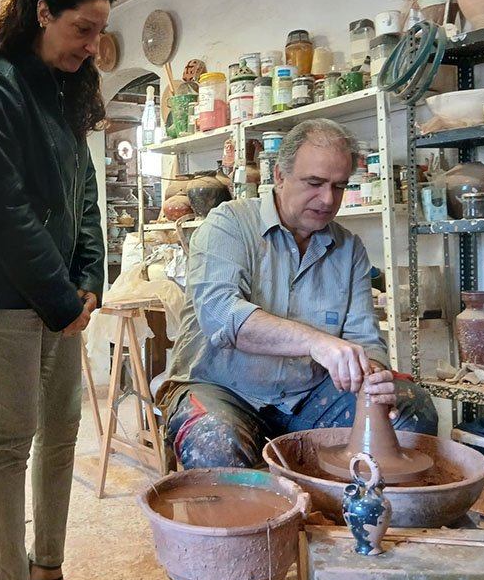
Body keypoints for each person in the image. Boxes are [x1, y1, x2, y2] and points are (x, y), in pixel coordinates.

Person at [0, 0, 117, 580]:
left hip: (61, 297)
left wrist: (90, 278)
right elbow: (1, 205)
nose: (92, 44)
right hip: (4, 291)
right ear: (43, 13)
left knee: (62, 433)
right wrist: (59, 296)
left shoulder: (69, 88)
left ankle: (49, 570)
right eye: (81, 28)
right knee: (11, 436)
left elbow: (84, 192)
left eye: (100, 30)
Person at [156, 118, 438, 470]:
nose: (327, 199)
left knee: (411, 409)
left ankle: (357, 520)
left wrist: (373, 373)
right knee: (215, 440)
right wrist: (316, 342)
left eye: (339, 186)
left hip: (308, 400)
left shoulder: (348, 248)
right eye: (314, 183)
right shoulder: (227, 224)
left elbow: (365, 339)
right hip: (223, 390)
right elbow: (221, 316)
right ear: (279, 176)